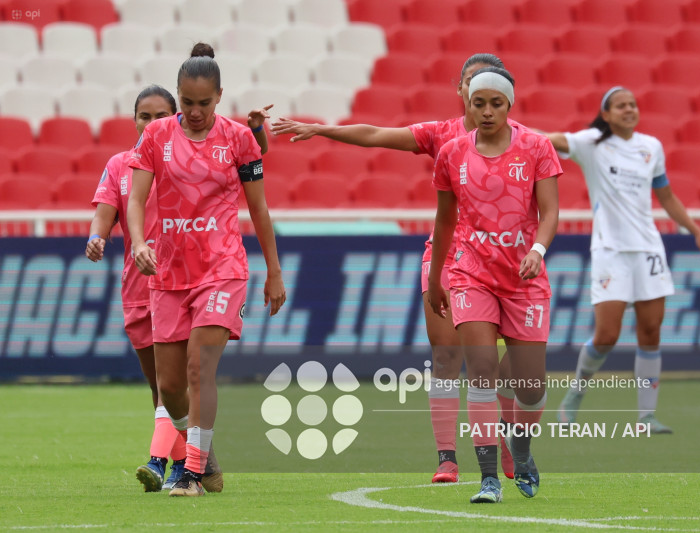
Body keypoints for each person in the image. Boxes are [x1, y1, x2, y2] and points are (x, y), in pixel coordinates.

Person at [271, 53, 519, 484]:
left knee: (496, 363)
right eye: (470, 83)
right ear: (460, 90)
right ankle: (447, 458)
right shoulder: (442, 135)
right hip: (448, 258)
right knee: (446, 356)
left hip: (501, 261)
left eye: (487, 86)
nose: (477, 94)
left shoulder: (522, 143)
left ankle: (509, 442)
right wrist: (321, 129)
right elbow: (374, 134)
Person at [87, 84, 272, 492]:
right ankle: (197, 452)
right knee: (165, 388)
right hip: (151, 284)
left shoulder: (203, 144)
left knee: (196, 369)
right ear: (134, 119)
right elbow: (111, 211)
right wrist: (108, 239)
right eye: (143, 115)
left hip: (211, 271)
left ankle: (176, 466)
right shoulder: (125, 162)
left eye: (159, 115)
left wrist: (258, 134)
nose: (151, 122)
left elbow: (247, 163)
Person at [127, 43, 286, 497]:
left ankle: (191, 473)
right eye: (188, 102)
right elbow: (136, 199)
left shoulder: (238, 139)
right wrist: (139, 242)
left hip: (222, 268)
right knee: (171, 387)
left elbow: (258, 208)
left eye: (204, 103)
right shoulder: (156, 136)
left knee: (200, 367)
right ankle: (205, 454)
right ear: (178, 96)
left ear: (219, 97)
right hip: (168, 272)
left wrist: (273, 271)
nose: (195, 112)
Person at [544, 86, 700, 434]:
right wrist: (506, 128)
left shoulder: (651, 147)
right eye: (620, 106)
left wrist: (694, 230)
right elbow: (552, 140)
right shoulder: (591, 143)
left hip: (648, 250)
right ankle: (574, 394)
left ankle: (646, 416)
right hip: (610, 251)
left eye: (632, 105)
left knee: (650, 331)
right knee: (607, 334)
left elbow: (665, 195)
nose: (628, 110)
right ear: (605, 114)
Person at [428, 66, 561, 503]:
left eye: (495, 103)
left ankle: (520, 447)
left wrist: (537, 251)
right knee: (481, 370)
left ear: (510, 105)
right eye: (478, 102)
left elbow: (549, 212)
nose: (486, 111)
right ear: (467, 103)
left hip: (523, 276)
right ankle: (489, 478)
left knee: (531, 386)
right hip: (471, 273)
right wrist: (436, 277)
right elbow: (445, 220)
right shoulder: (451, 152)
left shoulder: (537, 148)